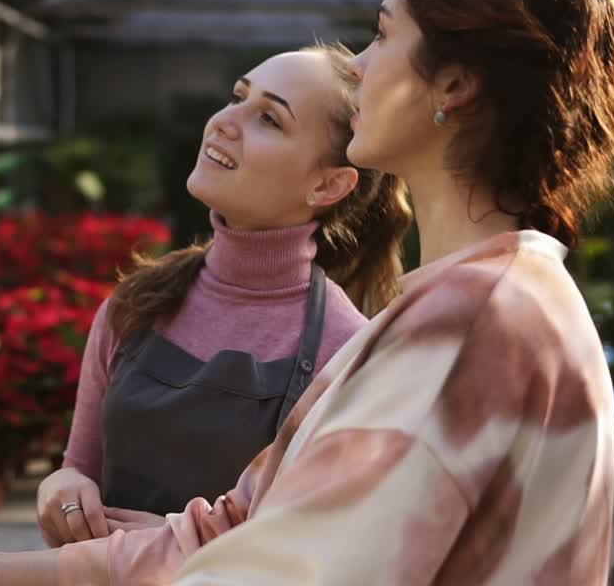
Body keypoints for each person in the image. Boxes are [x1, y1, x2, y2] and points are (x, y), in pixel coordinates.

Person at [0, 0, 614, 585]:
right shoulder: (467, 307)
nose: (361, 66)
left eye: (380, 35)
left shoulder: (474, 325)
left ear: (452, 86)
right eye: (241, 100)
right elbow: (234, 529)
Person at [35, 44, 412, 547]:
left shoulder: (346, 353)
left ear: (328, 185)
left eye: (269, 119)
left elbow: (330, 554)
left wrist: (179, 549)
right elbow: (77, 468)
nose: (224, 122)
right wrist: (62, 491)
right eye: (238, 96)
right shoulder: (136, 302)